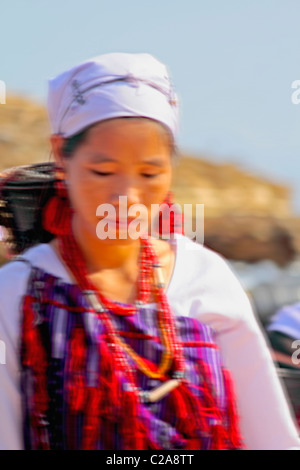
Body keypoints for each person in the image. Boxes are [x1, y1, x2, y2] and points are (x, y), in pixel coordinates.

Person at [0, 52, 299, 450]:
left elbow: (270, 438)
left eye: (149, 173)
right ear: (61, 155)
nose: (127, 196)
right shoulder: (17, 294)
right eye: (103, 172)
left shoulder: (206, 277)